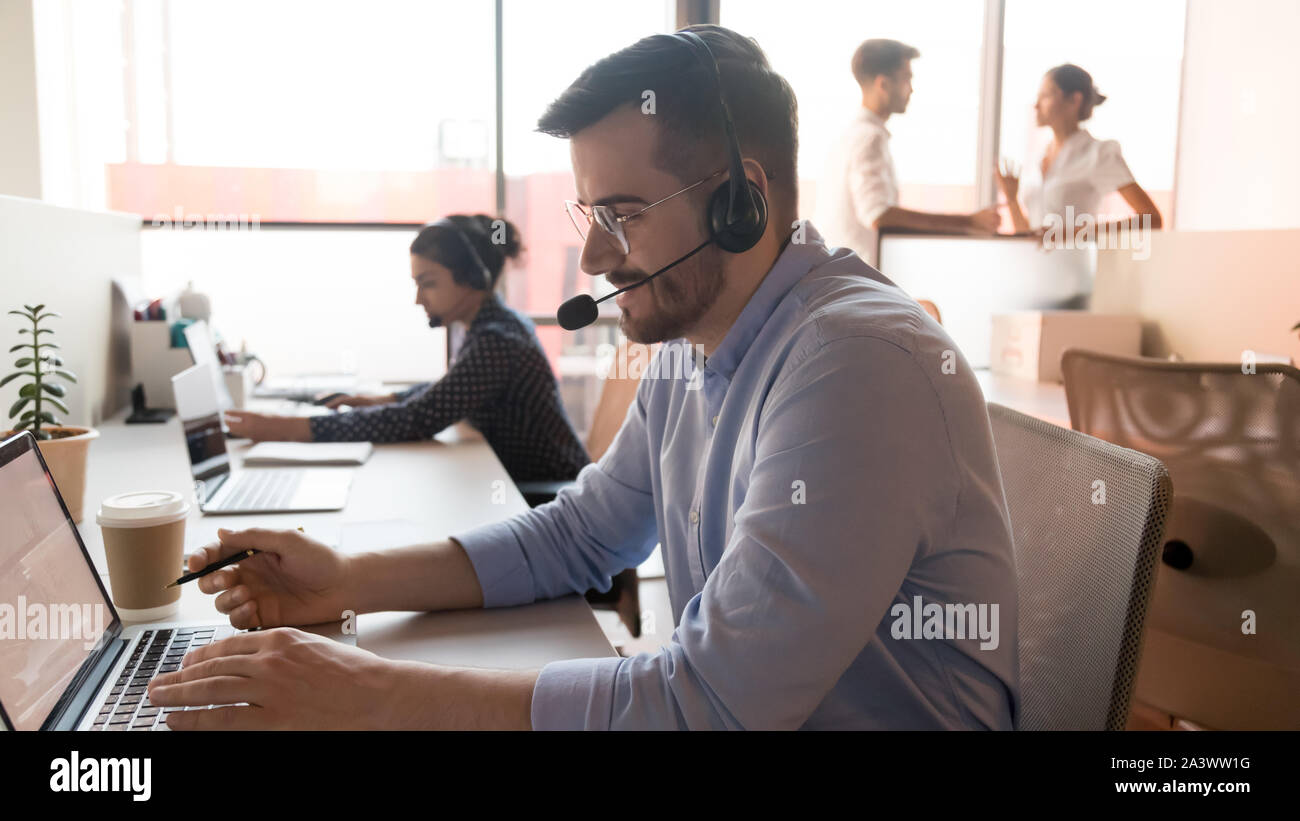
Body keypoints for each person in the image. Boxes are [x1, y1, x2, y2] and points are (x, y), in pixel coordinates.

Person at [148, 25, 1019, 731]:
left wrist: (373, 695)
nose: (596, 256)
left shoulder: (856, 367)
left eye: (622, 214)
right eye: (589, 213)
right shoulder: (692, 350)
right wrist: (349, 579)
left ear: (739, 201)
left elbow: (711, 705)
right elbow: (581, 535)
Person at [223, 214, 589, 484]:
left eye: (427, 284)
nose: (418, 299)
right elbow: (451, 389)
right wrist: (383, 399)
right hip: (523, 483)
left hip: (550, 496)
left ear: (472, 279)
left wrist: (289, 429)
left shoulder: (497, 340)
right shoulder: (486, 325)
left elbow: (420, 419)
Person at [817, 38, 1000, 266]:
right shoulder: (869, 138)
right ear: (883, 84)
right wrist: (968, 222)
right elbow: (878, 214)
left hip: (848, 277)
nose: (911, 89)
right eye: (907, 78)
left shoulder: (849, 137)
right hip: (857, 281)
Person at [995, 64, 1163, 236]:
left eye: (1045, 96)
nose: (1036, 105)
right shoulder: (1037, 158)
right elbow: (1032, 236)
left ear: (1074, 100)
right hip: (1031, 262)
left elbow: (1152, 219)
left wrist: (1072, 233)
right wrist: (1011, 199)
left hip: (1075, 261)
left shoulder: (1099, 154)